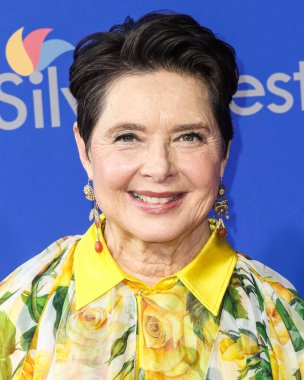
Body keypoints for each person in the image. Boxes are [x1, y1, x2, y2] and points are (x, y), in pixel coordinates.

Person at [0, 11, 303, 380]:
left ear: (224, 152)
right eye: (128, 137)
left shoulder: (283, 321)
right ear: (84, 149)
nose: (159, 168)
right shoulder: (19, 309)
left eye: (189, 136)